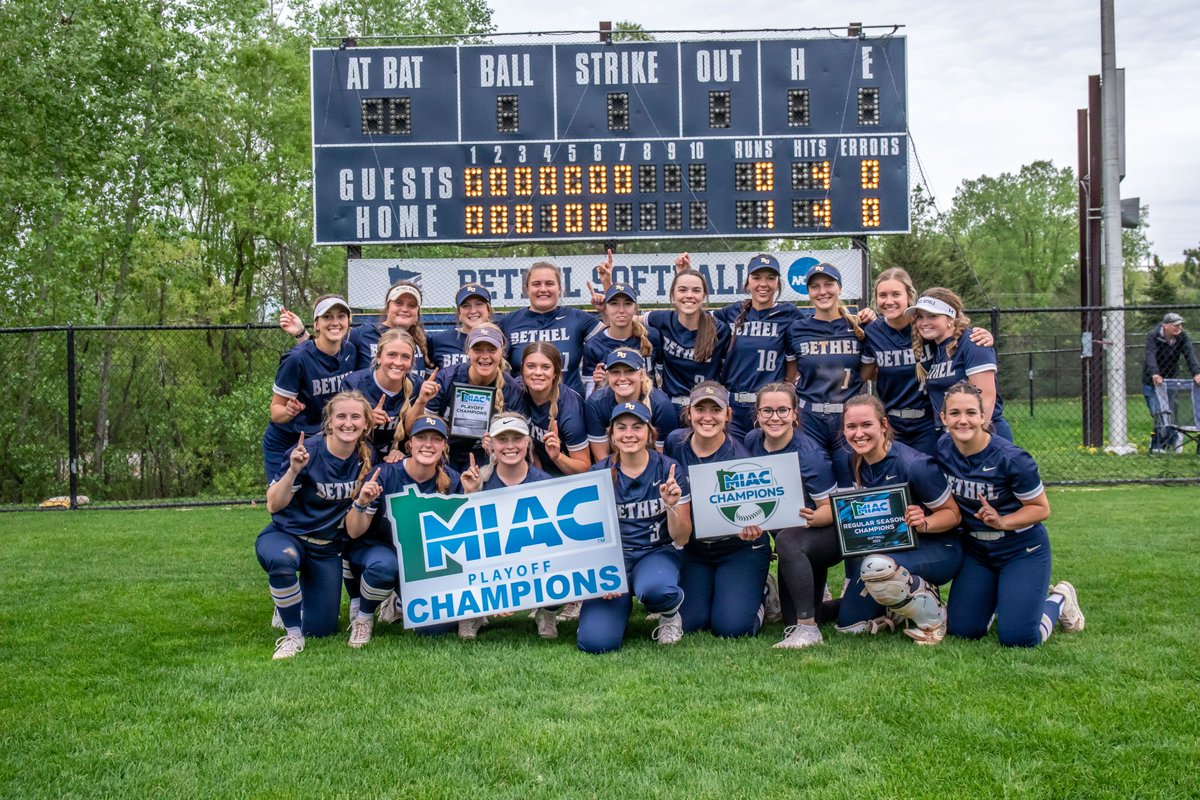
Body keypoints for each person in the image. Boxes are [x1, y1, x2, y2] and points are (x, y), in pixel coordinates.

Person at [938, 381, 1085, 646]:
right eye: (955, 413)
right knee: (963, 630)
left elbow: (1041, 509)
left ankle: (1060, 599)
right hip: (977, 551)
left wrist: (1003, 521)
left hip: (1020, 549)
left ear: (984, 416)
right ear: (943, 418)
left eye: (971, 413)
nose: (963, 420)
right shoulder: (943, 449)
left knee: (1019, 638)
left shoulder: (1012, 459)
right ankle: (998, 600)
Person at [254, 391, 375, 659]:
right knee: (283, 560)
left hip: (326, 548)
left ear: (366, 424)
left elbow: (354, 529)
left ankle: (292, 603)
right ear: (329, 422)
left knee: (321, 628)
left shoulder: (367, 458)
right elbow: (273, 504)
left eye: (356, 417)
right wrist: (293, 470)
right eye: (340, 416)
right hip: (288, 536)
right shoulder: (306, 451)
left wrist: (362, 503)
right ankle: (292, 636)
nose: (348, 423)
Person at [838, 394, 963, 644]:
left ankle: (934, 615)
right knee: (850, 626)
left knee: (877, 565)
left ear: (884, 425)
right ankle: (899, 605)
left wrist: (925, 522)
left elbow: (953, 514)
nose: (858, 433)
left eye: (866, 425)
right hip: (888, 551)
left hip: (938, 548)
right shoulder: (850, 460)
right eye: (851, 427)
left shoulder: (915, 464)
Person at [578, 401, 692, 653]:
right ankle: (611, 613)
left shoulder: (668, 469)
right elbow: (587, 537)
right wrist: (600, 575)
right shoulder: (598, 472)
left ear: (649, 433)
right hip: (614, 560)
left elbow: (682, 537)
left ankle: (670, 614)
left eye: (637, 427)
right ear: (612, 435)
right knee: (596, 643)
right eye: (622, 427)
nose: (629, 434)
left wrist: (671, 505)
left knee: (656, 590)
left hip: (655, 552)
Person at [666, 382, 770, 639]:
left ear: (728, 415)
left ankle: (763, 593)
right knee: (690, 623)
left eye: (716, 409)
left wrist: (755, 525)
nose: (708, 417)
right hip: (695, 548)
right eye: (700, 409)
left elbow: (763, 505)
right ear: (689, 413)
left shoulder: (742, 456)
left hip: (739, 547)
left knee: (731, 628)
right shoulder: (674, 443)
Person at [348, 414, 464, 643]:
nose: (428, 444)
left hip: (421, 561)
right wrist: (361, 503)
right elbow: (353, 532)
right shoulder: (385, 474)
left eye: (436, 439)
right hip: (380, 550)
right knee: (384, 567)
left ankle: (399, 600)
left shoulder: (452, 480)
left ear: (444, 446)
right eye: (422, 438)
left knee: (435, 630)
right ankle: (364, 617)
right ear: (410, 443)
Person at [743, 383, 839, 649]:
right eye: (767, 411)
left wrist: (809, 518)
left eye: (783, 410)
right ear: (757, 414)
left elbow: (831, 509)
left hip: (821, 534)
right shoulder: (752, 441)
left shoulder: (810, 455)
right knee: (789, 616)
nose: (775, 418)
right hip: (792, 540)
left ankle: (809, 631)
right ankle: (856, 605)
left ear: (795, 413)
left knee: (787, 537)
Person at [861, 268, 993, 457]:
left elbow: (955, 334)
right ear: (876, 299)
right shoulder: (872, 331)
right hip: (893, 425)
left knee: (931, 479)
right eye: (883, 295)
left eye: (896, 294)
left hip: (929, 424)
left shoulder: (926, 329)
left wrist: (984, 336)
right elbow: (865, 374)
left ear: (909, 296)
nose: (889, 301)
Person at [457, 413, 560, 639]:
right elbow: (464, 541)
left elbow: (554, 546)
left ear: (528, 442)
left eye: (517, 438)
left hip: (529, 558)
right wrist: (470, 495)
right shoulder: (476, 479)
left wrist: (512, 589)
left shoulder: (545, 483)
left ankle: (547, 610)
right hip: (488, 559)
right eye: (502, 439)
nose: (510, 446)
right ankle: (473, 613)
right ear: (491, 444)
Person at [702, 253, 802, 442]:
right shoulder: (733, 312)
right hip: (734, 406)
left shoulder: (789, 313)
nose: (763, 284)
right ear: (747, 283)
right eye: (756, 278)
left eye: (770, 278)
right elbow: (694, 317)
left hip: (768, 408)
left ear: (778, 283)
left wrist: (857, 318)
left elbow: (818, 327)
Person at [788, 263, 867, 488]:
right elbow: (790, 374)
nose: (822, 291)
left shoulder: (859, 326)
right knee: (813, 484)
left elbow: (866, 373)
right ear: (809, 292)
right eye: (815, 286)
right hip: (809, 417)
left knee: (849, 485)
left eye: (828, 284)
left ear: (839, 288)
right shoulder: (796, 329)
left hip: (847, 417)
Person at [262, 295, 357, 481]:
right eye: (327, 317)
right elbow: (276, 412)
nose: (335, 322)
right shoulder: (296, 359)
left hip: (322, 440)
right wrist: (289, 411)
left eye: (341, 316)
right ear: (316, 324)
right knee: (282, 502)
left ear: (348, 322)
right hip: (288, 438)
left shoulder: (350, 352)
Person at [407, 323, 518, 472]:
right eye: (478, 349)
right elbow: (411, 429)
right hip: (443, 451)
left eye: (492, 349)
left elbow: (520, 440)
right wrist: (421, 401)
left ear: (502, 352)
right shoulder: (447, 378)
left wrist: (499, 442)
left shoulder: (510, 388)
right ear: (468, 352)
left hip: (485, 453)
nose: (485, 356)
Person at [911, 288, 1013, 441]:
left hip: (982, 436)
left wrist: (974, 443)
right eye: (920, 317)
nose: (924, 323)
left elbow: (986, 398)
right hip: (951, 437)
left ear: (950, 319)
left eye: (932, 316)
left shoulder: (973, 342)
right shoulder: (935, 348)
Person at [281, 280, 429, 378]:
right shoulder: (362, 334)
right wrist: (301, 334)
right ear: (388, 306)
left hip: (410, 417)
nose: (404, 309)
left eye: (411, 305)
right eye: (399, 303)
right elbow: (323, 355)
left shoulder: (426, 342)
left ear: (418, 311)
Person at [498, 261, 605, 395]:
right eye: (536, 284)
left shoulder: (577, 318)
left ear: (559, 288)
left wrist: (605, 309)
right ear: (526, 289)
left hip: (569, 405)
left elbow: (615, 335)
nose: (543, 289)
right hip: (523, 403)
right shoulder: (508, 322)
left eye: (549, 283)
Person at [645, 269, 731, 424]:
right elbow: (625, 320)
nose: (689, 295)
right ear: (673, 295)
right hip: (671, 406)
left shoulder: (719, 329)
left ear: (704, 296)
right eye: (682, 290)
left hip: (705, 408)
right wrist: (607, 292)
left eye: (696, 290)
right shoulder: (662, 319)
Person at [510, 342, 591, 477]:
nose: (538, 373)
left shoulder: (569, 407)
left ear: (555, 373)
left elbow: (584, 467)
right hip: (534, 470)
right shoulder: (516, 390)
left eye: (546, 367)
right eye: (531, 366)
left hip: (565, 477)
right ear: (522, 369)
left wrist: (557, 457)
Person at [584, 349, 677, 461]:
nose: (622, 378)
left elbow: (664, 459)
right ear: (607, 376)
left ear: (642, 374)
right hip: (614, 467)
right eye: (615, 372)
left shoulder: (661, 405)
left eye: (629, 371)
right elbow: (602, 458)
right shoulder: (596, 403)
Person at [344, 328, 416, 463]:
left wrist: (402, 450)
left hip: (396, 459)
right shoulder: (354, 384)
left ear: (411, 362)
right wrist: (366, 421)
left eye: (405, 357)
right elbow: (338, 431)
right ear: (378, 357)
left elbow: (418, 434)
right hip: (357, 456)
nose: (398, 362)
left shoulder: (417, 387)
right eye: (392, 355)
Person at [582, 281, 660, 395]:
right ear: (606, 308)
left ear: (635, 308)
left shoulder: (651, 336)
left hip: (649, 405)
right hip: (610, 409)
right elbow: (589, 397)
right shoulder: (594, 345)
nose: (621, 310)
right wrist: (599, 384)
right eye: (614, 303)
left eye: (628, 303)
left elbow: (662, 379)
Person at [1141, 312, 1200, 452]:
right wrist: (1155, 373)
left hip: (1170, 381)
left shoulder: (1182, 337)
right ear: (1166, 326)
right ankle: (1169, 439)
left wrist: (1197, 373)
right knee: (1157, 412)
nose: (1179, 328)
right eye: (1176, 325)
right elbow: (1150, 356)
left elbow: (1189, 355)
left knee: (1168, 412)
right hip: (1152, 382)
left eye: (1180, 325)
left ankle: (1161, 444)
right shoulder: (1153, 336)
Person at [429, 283, 494, 370]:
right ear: (459, 313)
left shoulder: (499, 339)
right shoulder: (439, 341)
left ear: (488, 310)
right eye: (465, 306)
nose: (473, 311)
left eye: (479, 304)